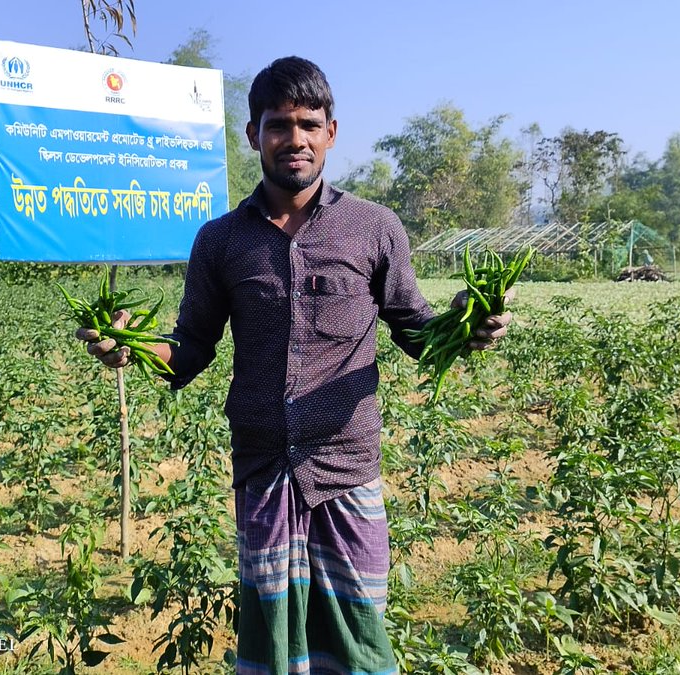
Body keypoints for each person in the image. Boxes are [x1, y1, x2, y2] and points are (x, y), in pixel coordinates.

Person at [77, 56, 512, 674]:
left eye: (309, 124)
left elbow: (416, 329)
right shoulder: (221, 240)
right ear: (253, 134)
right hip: (264, 471)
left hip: (345, 468)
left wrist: (466, 325)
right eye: (278, 124)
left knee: (359, 644)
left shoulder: (374, 228)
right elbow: (190, 348)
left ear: (331, 132)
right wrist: (131, 347)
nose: (295, 138)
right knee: (274, 647)